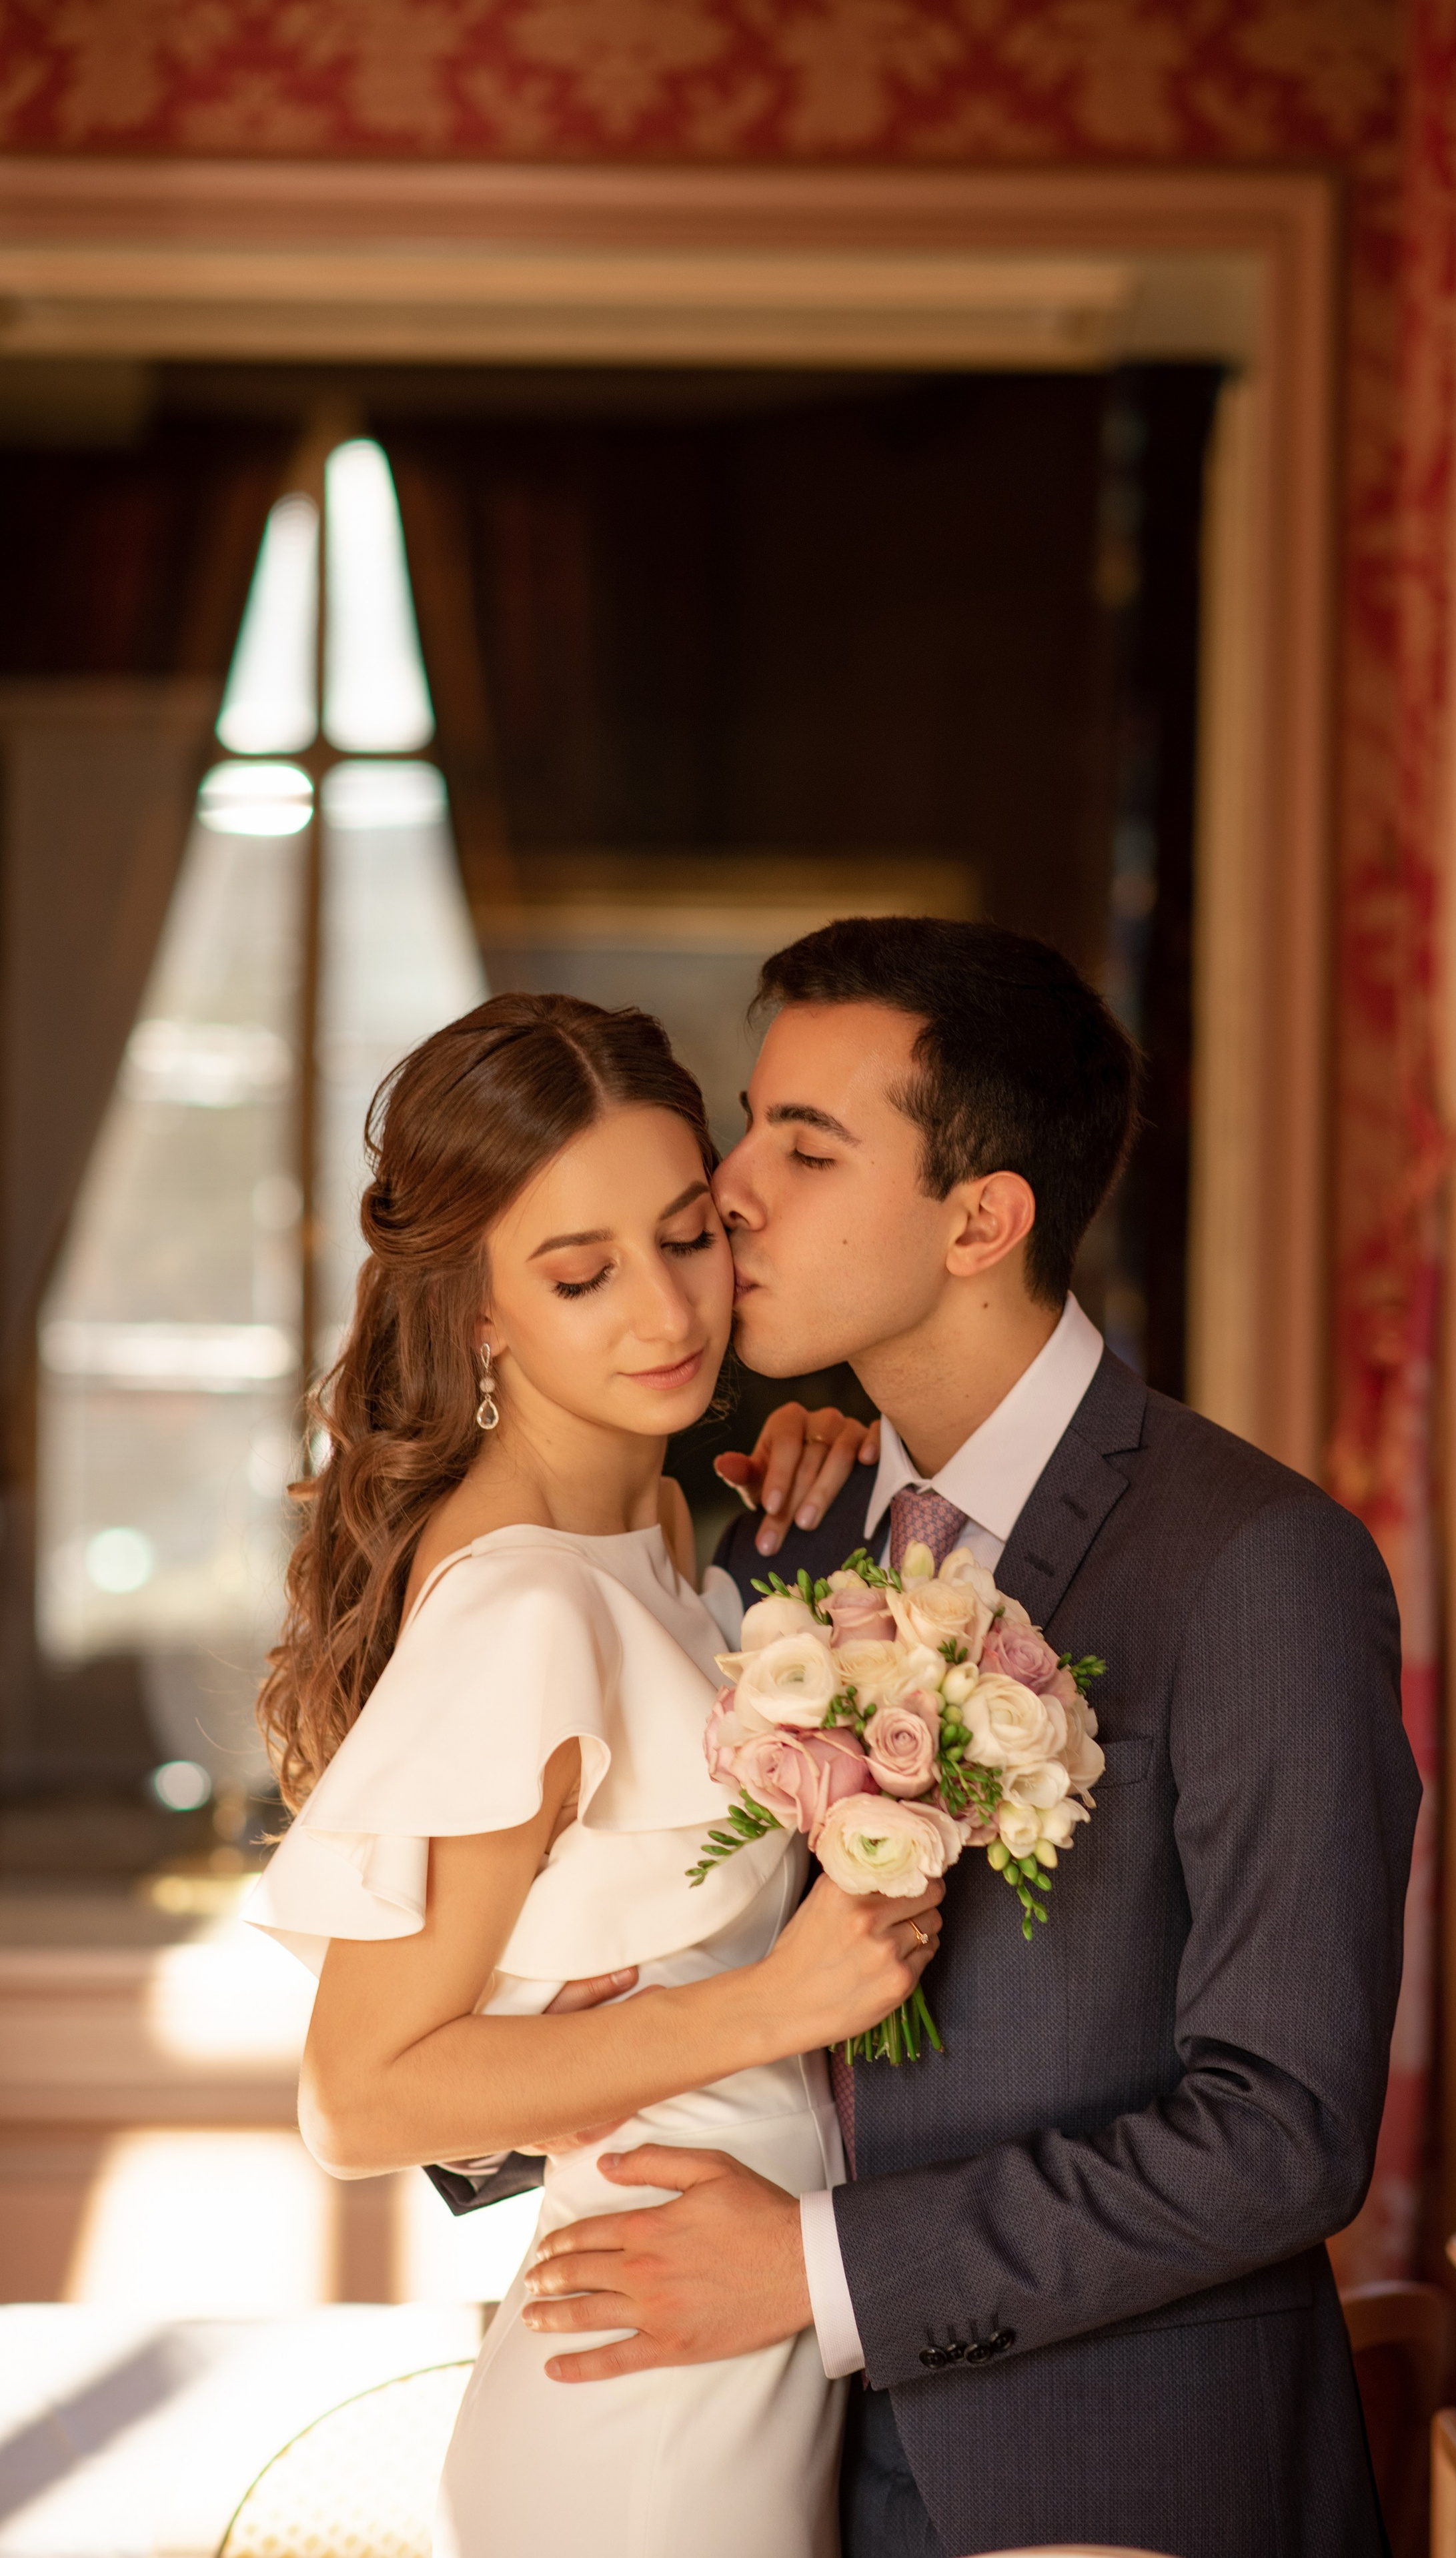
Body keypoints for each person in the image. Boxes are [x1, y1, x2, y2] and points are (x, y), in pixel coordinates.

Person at [518, 918, 1422, 2558]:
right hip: (761, 2467)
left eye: (805, 1145)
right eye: (746, 1124)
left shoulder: (1252, 1562)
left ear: (981, 1217)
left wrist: (810, 2267)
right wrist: (567, 2058)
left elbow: (1282, 2130)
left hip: (1118, 2479)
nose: (730, 1189)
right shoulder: (782, 1540)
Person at [245, 993, 944, 2558]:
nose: (663, 1314)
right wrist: (770, 2007)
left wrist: (811, 1496)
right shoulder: (527, 1605)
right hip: (644, 2393)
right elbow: (357, 2099)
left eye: (686, 1235)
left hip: (718, 2320)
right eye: (579, 1274)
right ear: (481, 1313)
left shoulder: (649, 1532)